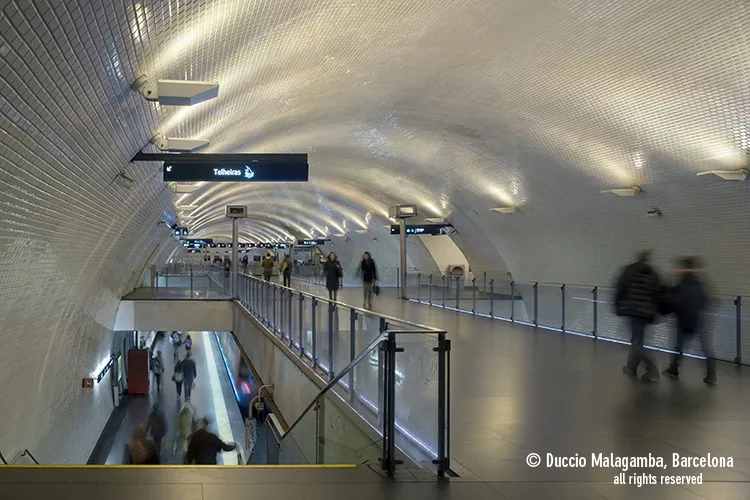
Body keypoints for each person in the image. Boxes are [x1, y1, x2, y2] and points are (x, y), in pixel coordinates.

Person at [663, 257, 716, 384]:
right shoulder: (699, 284)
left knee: (679, 346)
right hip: (698, 320)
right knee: (704, 348)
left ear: (683, 269)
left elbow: (674, 302)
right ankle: (711, 374)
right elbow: (706, 301)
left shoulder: (681, 285)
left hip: (684, 321)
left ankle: (674, 368)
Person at [614, 250, 663, 382]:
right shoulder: (654, 274)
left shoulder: (629, 270)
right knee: (637, 340)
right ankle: (631, 367)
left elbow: (620, 288)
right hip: (647, 313)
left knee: (636, 343)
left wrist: (617, 305)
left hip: (632, 310)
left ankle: (652, 369)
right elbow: (659, 293)